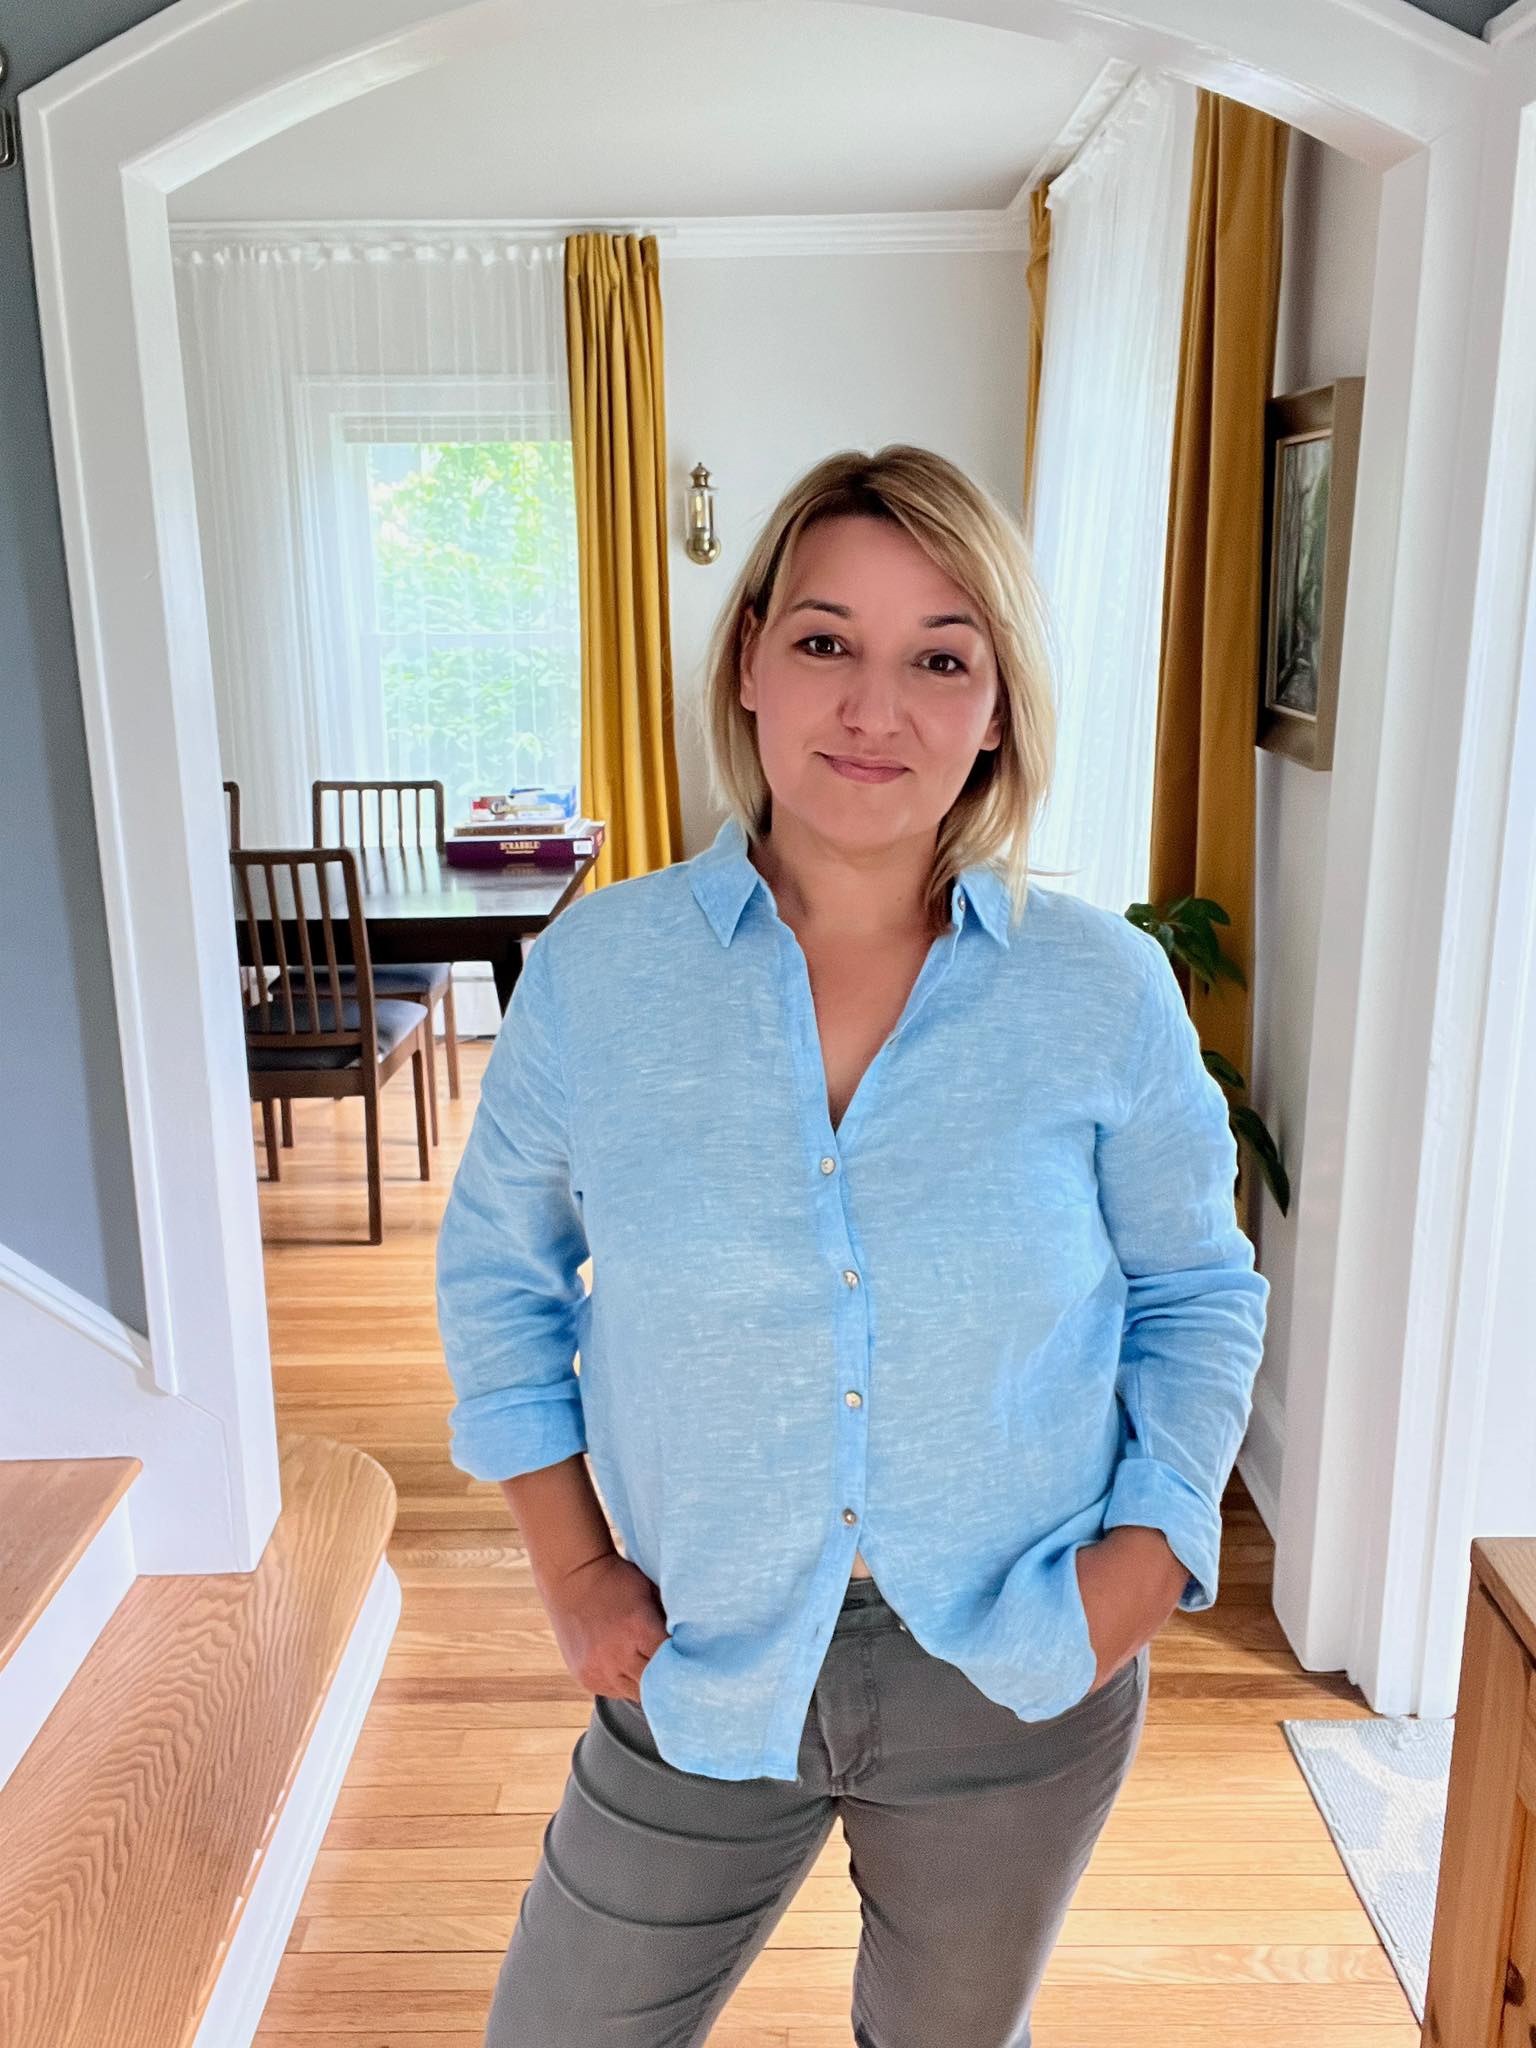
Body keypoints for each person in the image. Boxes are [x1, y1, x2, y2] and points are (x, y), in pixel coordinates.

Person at [435, 443, 1270, 2047]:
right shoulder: (599, 976)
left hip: (1019, 1661)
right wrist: (572, 1567)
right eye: (825, 640)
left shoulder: (1100, 992)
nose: (872, 707)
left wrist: (1152, 1555)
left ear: (998, 707)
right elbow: (497, 1282)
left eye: (939, 657)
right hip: (699, 1649)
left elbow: (1196, 1289)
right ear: (748, 656)